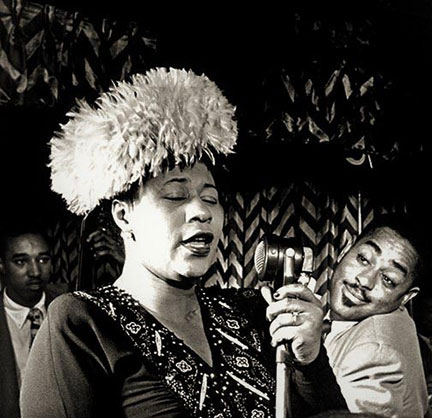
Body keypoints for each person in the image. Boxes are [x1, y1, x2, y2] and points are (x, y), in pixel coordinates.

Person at [20, 68, 346, 418]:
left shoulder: (255, 312)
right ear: (123, 216)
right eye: (175, 195)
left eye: (211, 198)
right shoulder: (81, 323)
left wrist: (309, 359)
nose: (201, 212)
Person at [323, 213, 430, 417]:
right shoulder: (386, 319)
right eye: (363, 259)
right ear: (345, 250)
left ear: (406, 297)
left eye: (388, 279)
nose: (364, 281)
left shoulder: (375, 355)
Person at [0, 222, 59, 418]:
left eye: (43, 260)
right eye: (21, 261)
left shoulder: (70, 309)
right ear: (1, 265)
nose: (34, 272)